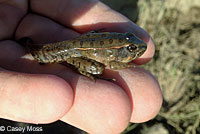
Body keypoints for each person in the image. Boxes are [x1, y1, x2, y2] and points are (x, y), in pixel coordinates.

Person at [0, 0, 162, 133]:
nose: (139, 47)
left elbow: (112, 58)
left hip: (83, 44)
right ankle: (35, 49)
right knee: (97, 69)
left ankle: (33, 48)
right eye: (132, 48)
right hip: (79, 52)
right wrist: (126, 66)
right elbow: (111, 63)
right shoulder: (115, 56)